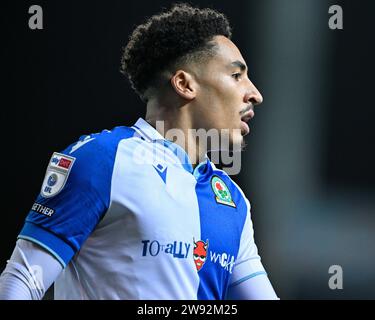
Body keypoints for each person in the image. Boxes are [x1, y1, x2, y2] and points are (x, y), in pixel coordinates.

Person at [0, 3, 278, 300]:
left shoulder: (232, 199)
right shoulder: (102, 160)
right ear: (185, 84)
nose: (255, 94)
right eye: (236, 76)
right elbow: (21, 282)